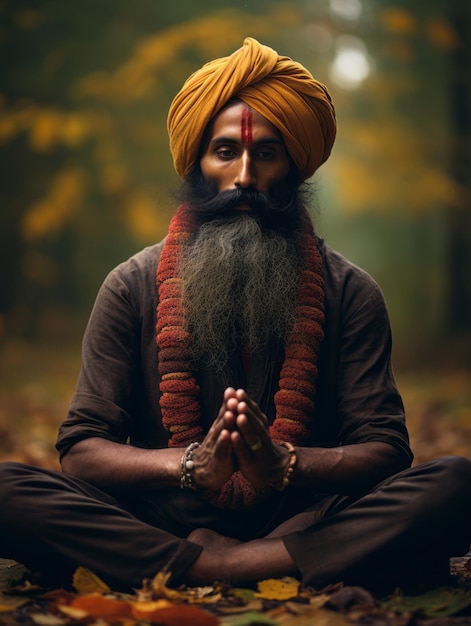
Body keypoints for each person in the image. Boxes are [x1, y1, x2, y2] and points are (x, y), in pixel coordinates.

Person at [0, 37, 470, 596]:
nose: (245, 175)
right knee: (7, 488)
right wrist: (190, 466)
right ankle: (269, 566)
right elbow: (81, 450)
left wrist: (285, 464)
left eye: (266, 154)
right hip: (164, 518)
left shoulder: (350, 291)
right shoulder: (131, 285)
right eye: (226, 152)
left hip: (306, 517)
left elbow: (385, 449)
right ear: (198, 163)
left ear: (294, 166)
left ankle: (210, 567)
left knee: (457, 484)